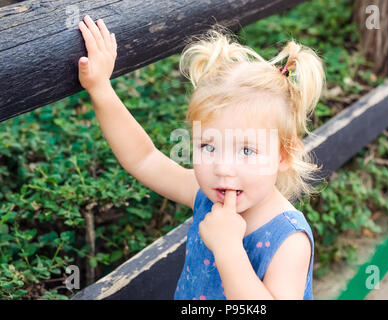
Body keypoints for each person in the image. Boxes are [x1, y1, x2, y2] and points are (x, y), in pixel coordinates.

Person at [77, 15, 325, 300]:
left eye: (246, 150)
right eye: (209, 146)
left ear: (284, 154)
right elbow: (144, 159)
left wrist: (229, 250)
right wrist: (100, 88)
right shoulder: (207, 196)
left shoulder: (289, 240)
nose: (222, 168)